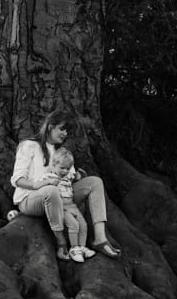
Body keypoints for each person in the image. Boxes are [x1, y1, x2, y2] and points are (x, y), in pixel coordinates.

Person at [10, 108, 121, 259]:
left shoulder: (62, 152)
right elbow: (17, 179)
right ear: (50, 126)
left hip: (62, 198)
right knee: (51, 190)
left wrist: (77, 177)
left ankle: (100, 239)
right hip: (31, 200)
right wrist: (38, 185)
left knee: (95, 182)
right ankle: (61, 242)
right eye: (62, 129)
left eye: (67, 131)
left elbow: (69, 177)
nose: (65, 134)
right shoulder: (29, 145)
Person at [48, 148, 96, 262]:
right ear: (53, 165)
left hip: (72, 205)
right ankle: (74, 249)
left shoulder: (68, 176)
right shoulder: (50, 178)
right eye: (62, 168)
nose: (65, 171)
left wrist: (79, 175)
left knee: (83, 224)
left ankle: (82, 247)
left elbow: (75, 177)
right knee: (74, 225)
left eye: (67, 168)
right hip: (62, 208)